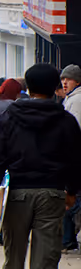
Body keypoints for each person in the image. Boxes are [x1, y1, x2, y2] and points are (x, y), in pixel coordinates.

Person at [0, 64, 81, 269]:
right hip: (51, 194)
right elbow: (75, 160)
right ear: (55, 88)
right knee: (44, 260)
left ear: (27, 87)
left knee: (13, 257)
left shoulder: (9, 117)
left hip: (18, 193)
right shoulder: (65, 121)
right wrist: (71, 190)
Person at [61, 65, 81, 252]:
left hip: (74, 158)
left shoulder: (76, 101)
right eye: (63, 79)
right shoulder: (71, 99)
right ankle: (67, 239)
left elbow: (73, 131)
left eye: (69, 79)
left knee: (72, 199)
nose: (65, 82)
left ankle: (67, 239)